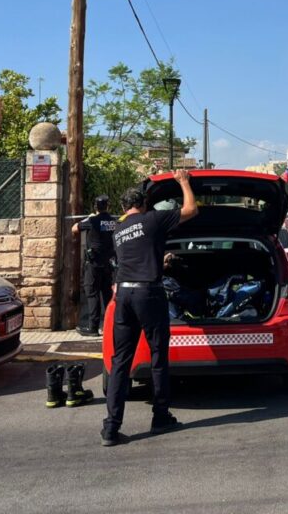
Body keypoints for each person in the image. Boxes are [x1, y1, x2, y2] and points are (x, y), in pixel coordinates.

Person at [102, 169, 198, 447]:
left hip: (124, 296)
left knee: (121, 361)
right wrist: (183, 182)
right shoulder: (153, 219)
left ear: (123, 208)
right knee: (158, 355)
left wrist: (159, 261)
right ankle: (160, 416)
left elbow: (132, 256)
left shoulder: (118, 229)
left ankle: (111, 427)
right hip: (149, 294)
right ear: (144, 205)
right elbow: (191, 210)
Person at [71, 194, 117, 337]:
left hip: (94, 263)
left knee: (92, 293)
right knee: (107, 294)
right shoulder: (113, 221)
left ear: (95, 207)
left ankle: (93, 327)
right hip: (108, 263)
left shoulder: (92, 220)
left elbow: (74, 229)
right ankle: (111, 326)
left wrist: (89, 217)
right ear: (108, 206)